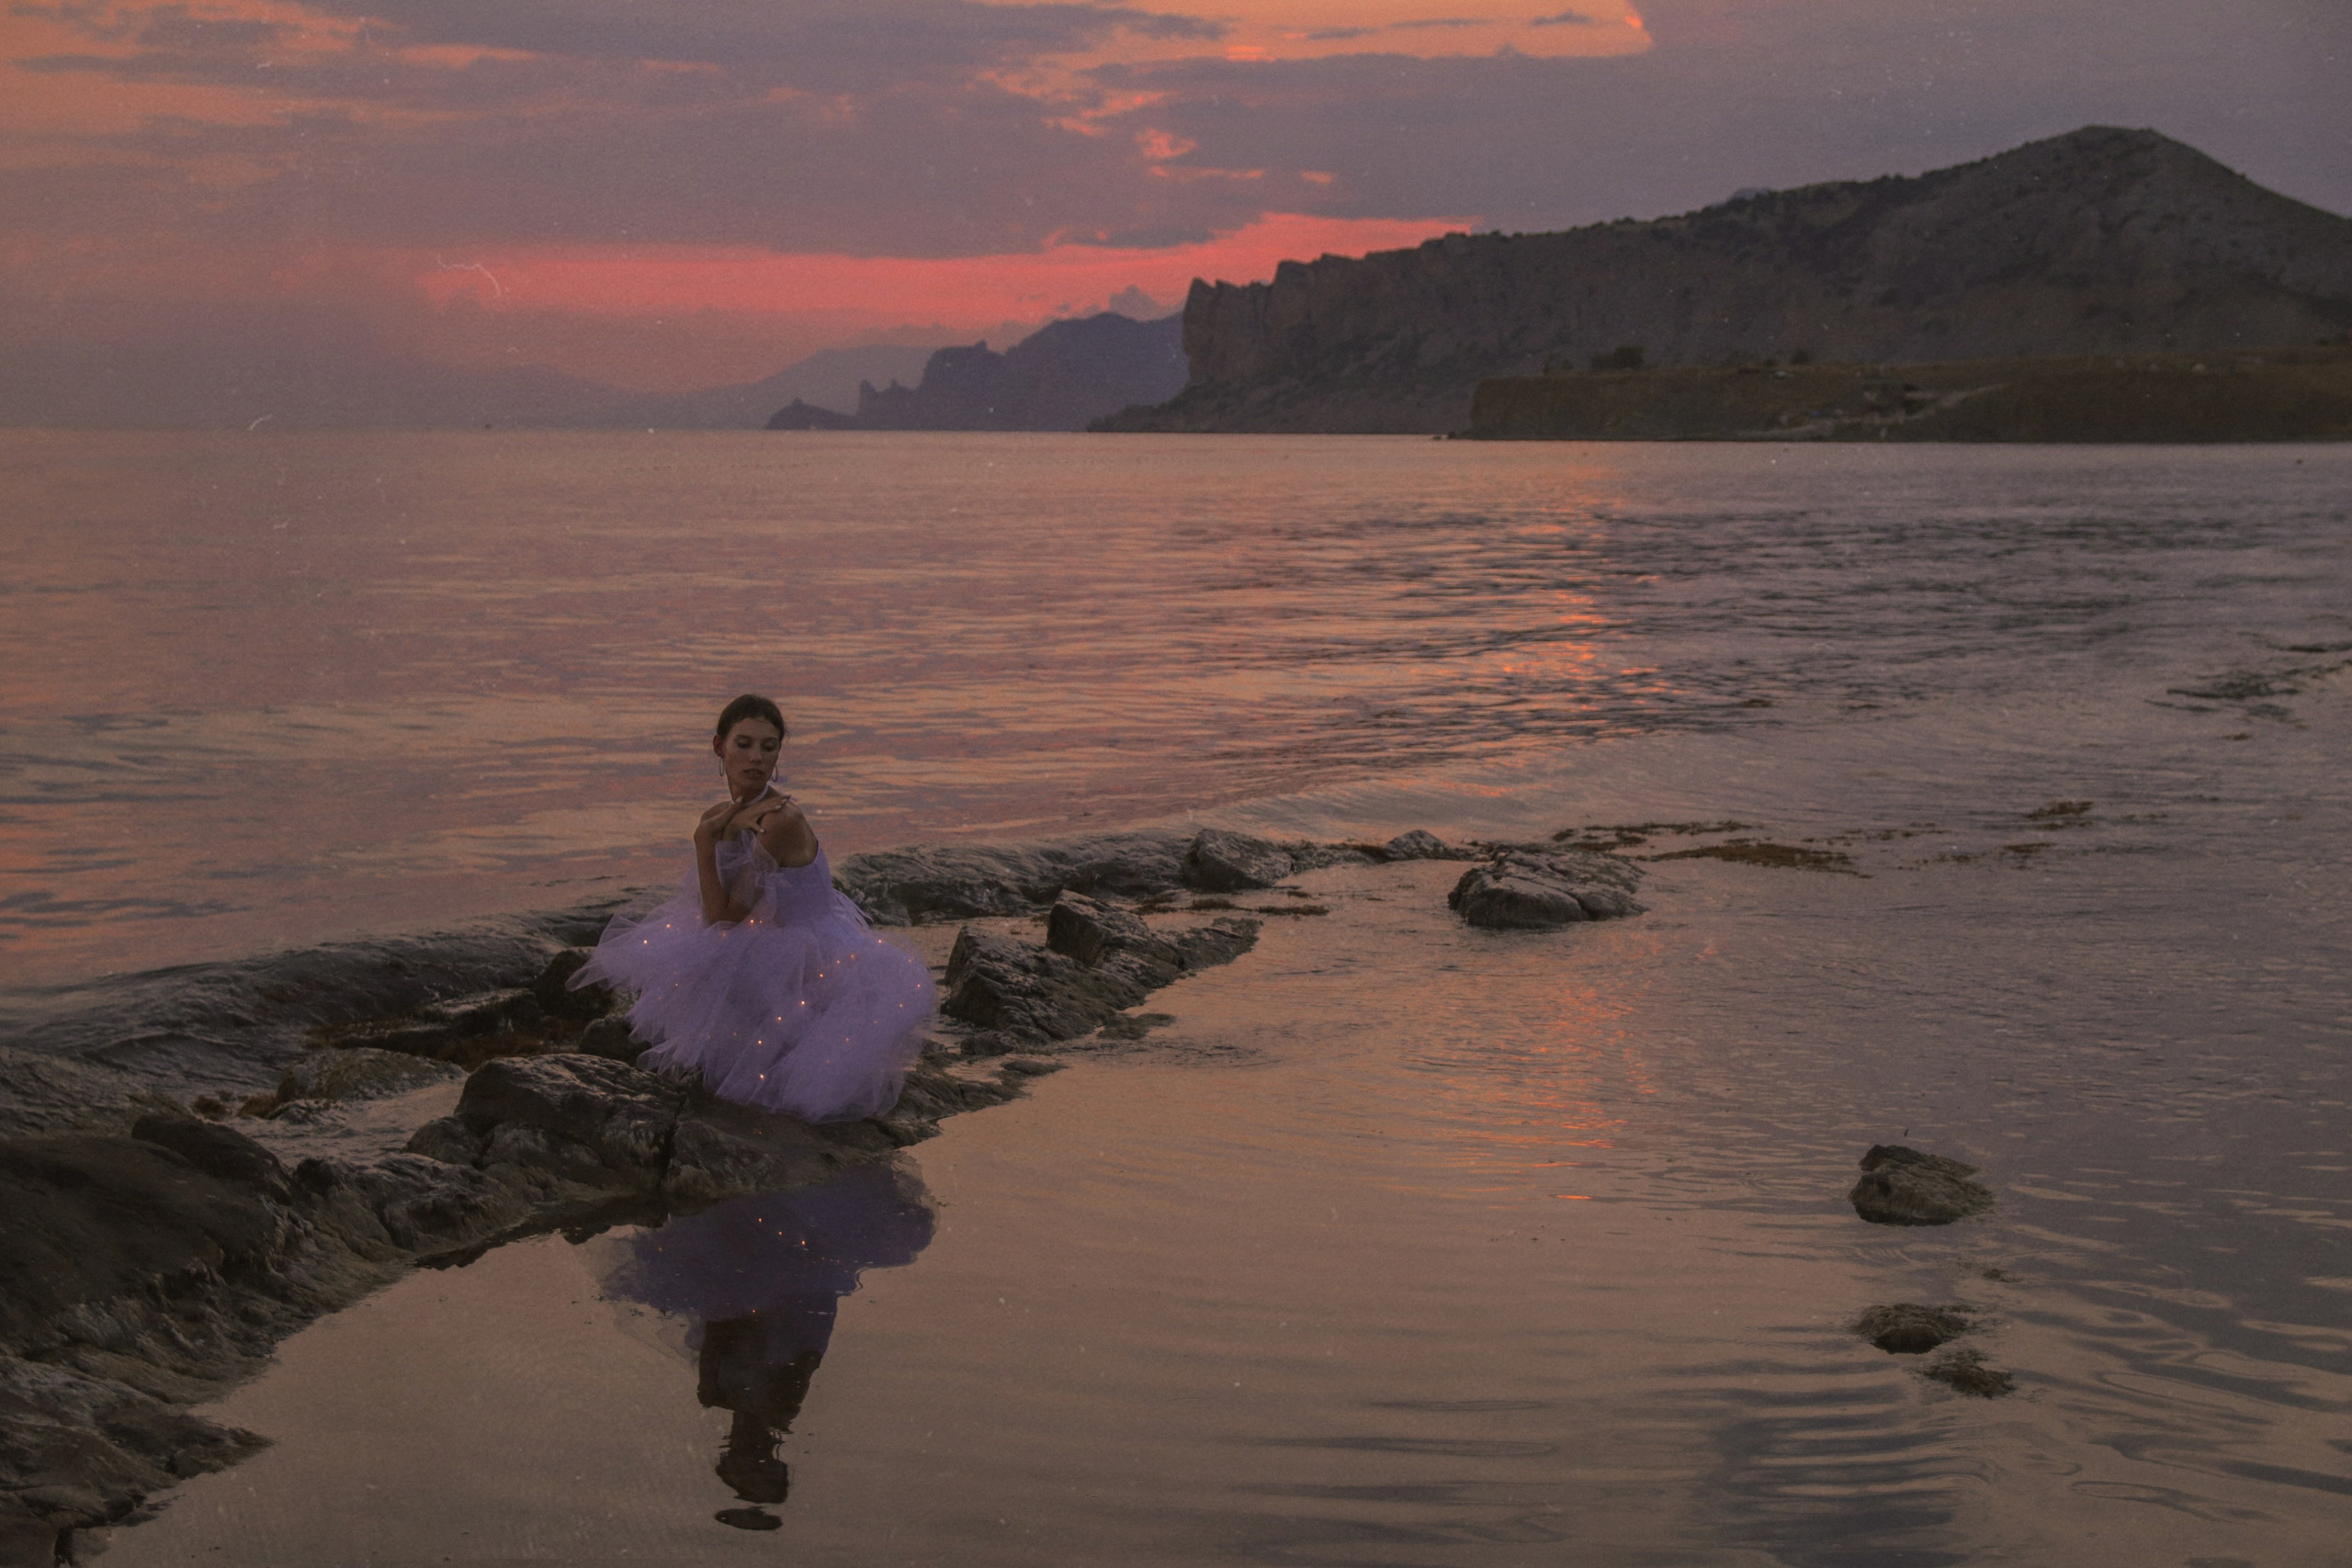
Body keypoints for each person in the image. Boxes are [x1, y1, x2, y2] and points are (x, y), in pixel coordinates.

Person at [571, 694, 935, 1122]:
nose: (756, 758)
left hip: (814, 953)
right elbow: (711, 904)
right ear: (718, 747)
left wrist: (704, 842)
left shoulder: (781, 822)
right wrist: (717, 831)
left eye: (769, 746)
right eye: (743, 744)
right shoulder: (721, 815)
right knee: (704, 957)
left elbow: (723, 918)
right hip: (767, 937)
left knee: (719, 959)